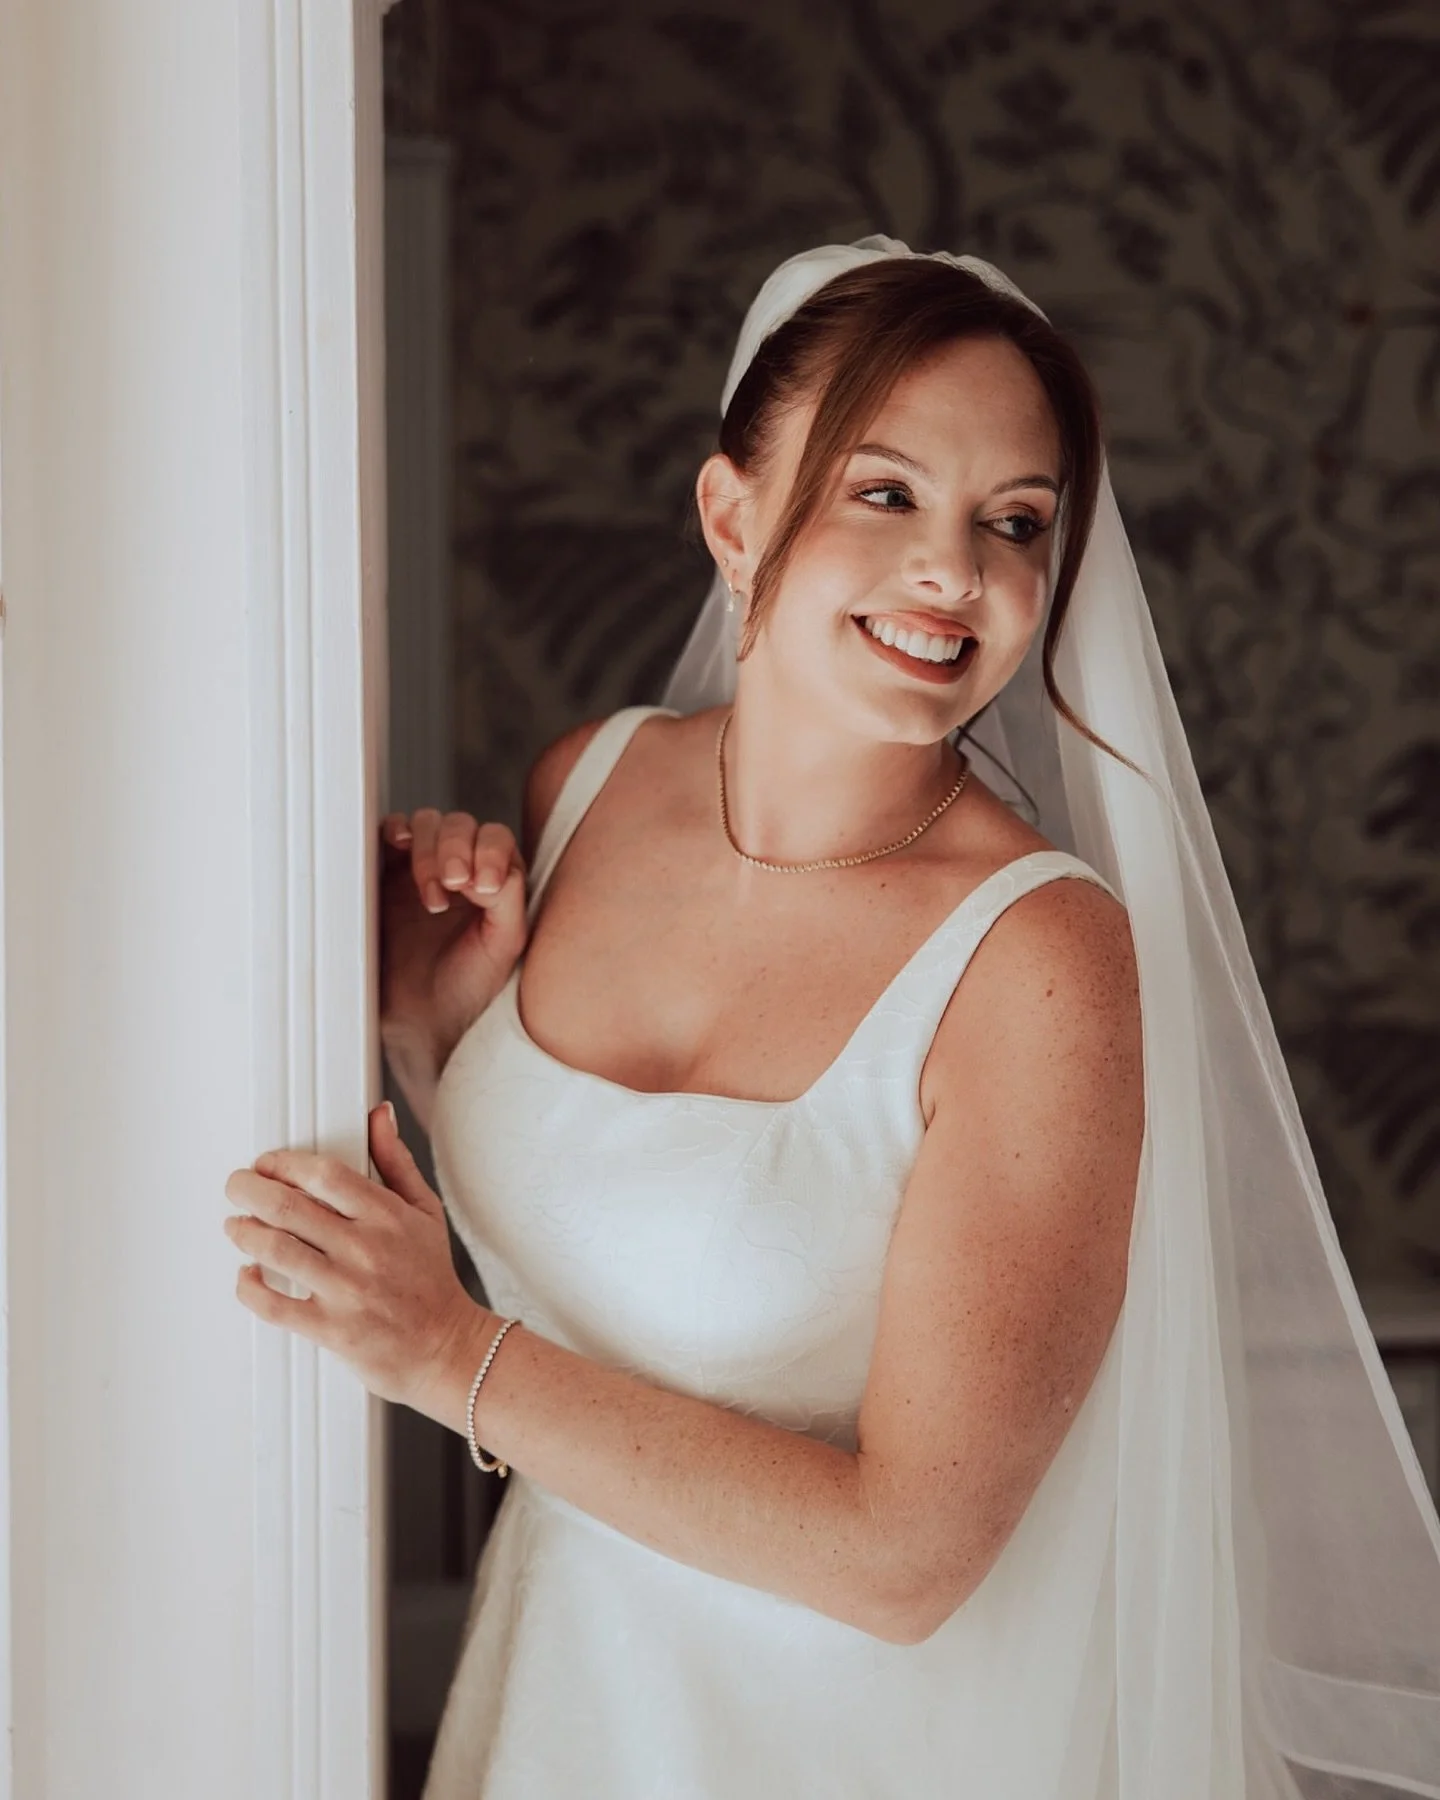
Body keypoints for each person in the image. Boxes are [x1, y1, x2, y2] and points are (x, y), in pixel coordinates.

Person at [224, 240, 1440, 1799]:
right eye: (888, 494)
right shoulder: (587, 787)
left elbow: (909, 1557)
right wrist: (431, 1031)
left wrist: (447, 1353)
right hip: (575, 1707)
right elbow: (626, 1259)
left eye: (1015, 523)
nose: (959, 573)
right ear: (733, 517)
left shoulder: (1041, 962)